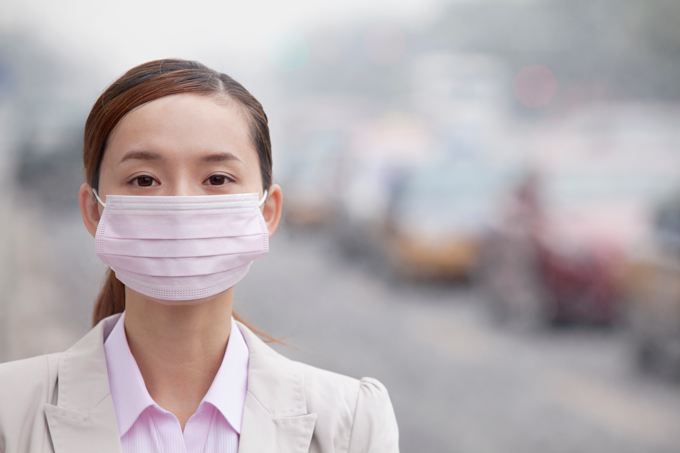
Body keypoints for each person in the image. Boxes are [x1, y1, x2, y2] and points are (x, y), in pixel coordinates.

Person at [0, 59, 399, 453]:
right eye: (144, 179)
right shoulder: (10, 412)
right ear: (94, 210)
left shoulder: (351, 424)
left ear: (267, 211)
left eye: (217, 179)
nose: (180, 207)